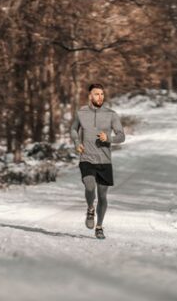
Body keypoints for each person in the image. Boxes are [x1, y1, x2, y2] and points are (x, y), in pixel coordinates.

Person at [70, 83, 125, 239]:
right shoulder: (81, 113)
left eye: (102, 94)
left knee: (102, 196)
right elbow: (74, 129)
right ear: (90, 96)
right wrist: (76, 142)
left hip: (104, 160)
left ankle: (99, 226)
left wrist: (109, 138)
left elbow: (121, 136)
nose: (100, 97)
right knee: (89, 186)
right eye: (96, 94)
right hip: (87, 157)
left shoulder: (111, 114)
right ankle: (89, 208)